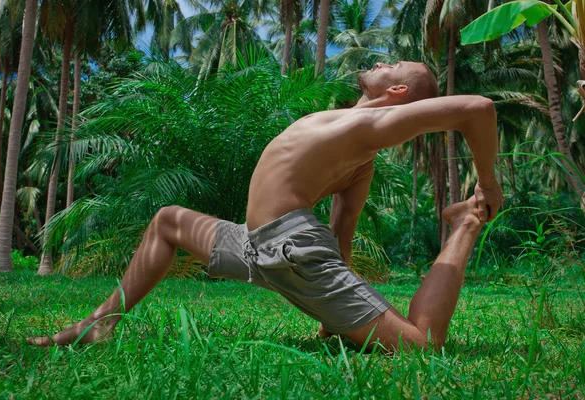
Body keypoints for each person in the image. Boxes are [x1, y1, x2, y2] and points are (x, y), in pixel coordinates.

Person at [28, 61, 504, 350]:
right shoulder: (354, 142)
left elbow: (478, 109)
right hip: (260, 245)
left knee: (421, 345)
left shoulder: (371, 127)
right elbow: (342, 237)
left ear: (396, 93)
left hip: (291, 249)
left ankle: (464, 224)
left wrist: (489, 185)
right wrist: (332, 320)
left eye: (395, 66)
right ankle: (100, 323)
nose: (384, 62)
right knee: (167, 222)